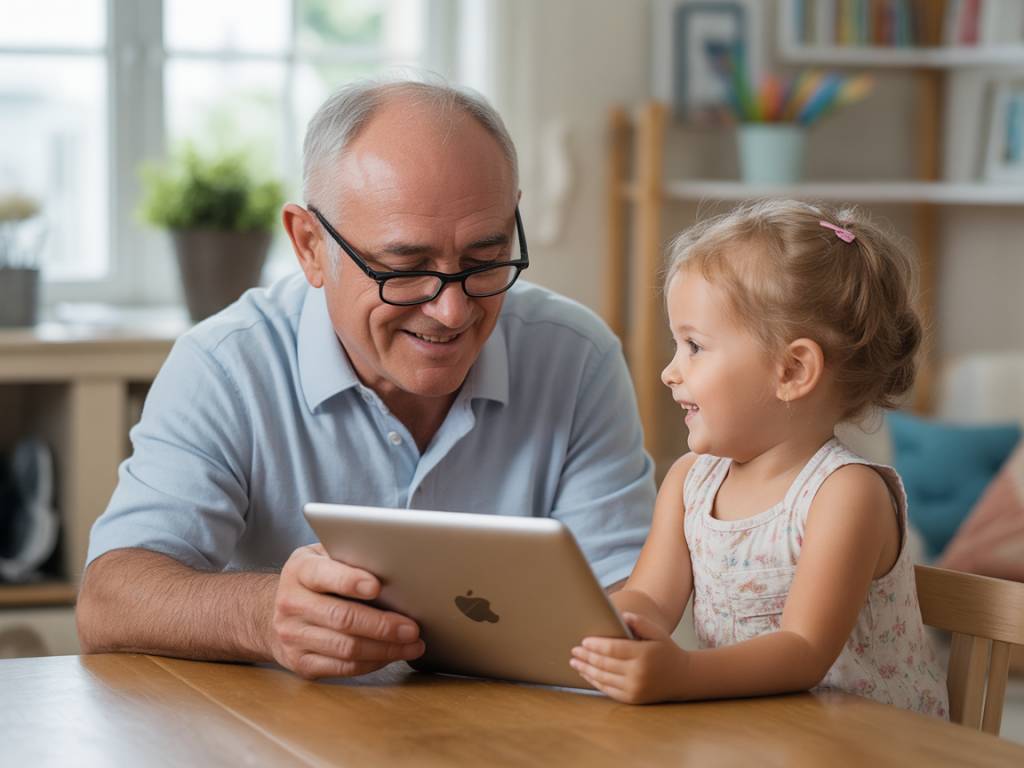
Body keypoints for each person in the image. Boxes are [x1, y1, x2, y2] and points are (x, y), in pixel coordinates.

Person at [76, 79, 655, 680]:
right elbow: (108, 602)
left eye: (486, 259)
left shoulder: (577, 356)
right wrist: (262, 615)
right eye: (403, 269)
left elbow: (626, 600)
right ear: (308, 245)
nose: (452, 312)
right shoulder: (224, 365)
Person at [570, 200, 949, 716]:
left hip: (864, 746)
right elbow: (652, 599)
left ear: (792, 370)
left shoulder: (844, 495)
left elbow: (803, 651)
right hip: (755, 730)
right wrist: (604, 630)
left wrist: (681, 672)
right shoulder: (689, 483)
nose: (669, 372)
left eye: (694, 346)